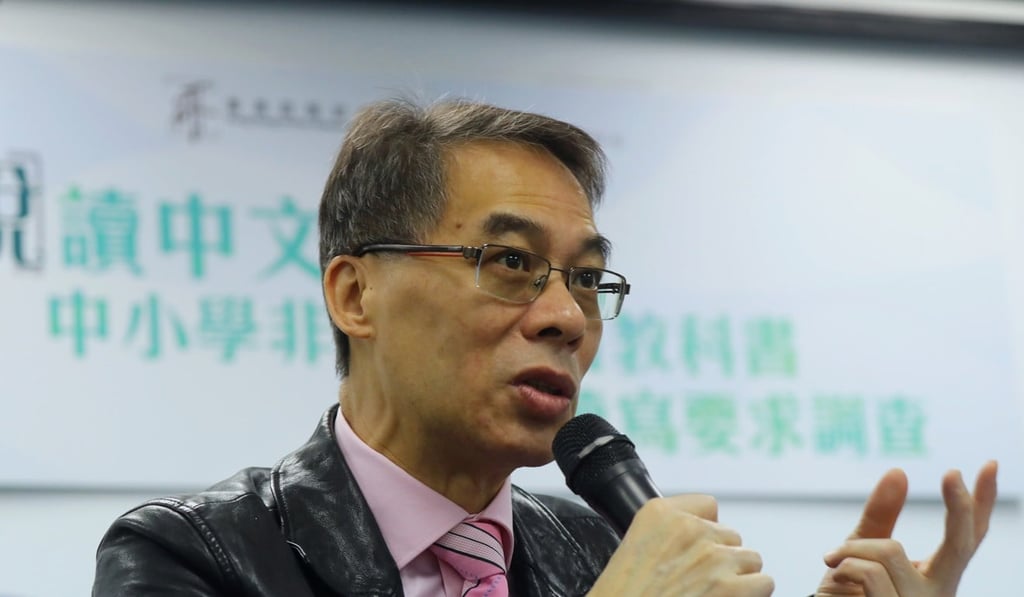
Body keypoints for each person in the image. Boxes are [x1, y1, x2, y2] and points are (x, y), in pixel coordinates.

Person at [93, 98, 998, 596]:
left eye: (587, 277)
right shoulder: (192, 557)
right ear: (355, 293)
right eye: (512, 261)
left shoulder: (601, 547)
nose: (566, 316)